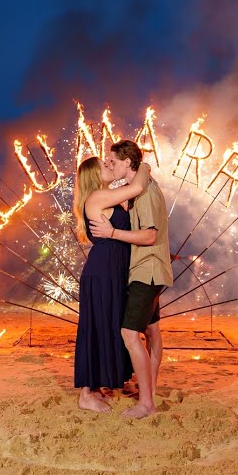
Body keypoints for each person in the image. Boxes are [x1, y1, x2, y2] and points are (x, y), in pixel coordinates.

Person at [88, 139, 171, 419]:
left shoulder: (145, 193)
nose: (109, 164)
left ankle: (146, 402)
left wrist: (112, 234)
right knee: (151, 332)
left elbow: (149, 235)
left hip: (146, 271)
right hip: (150, 270)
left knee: (128, 333)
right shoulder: (139, 189)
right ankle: (149, 390)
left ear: (127, 162)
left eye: (112, 161)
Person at [72, 155, 151, 412]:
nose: (109, 166)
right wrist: (145, 165)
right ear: (94, 175)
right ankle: (85, 394)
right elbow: (138, 187)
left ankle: (95, 389)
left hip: (112, 272)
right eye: (104, 166)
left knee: (106, 327)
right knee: (95, 328)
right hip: (103, 272)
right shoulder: (97, 197)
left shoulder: (107, 195)